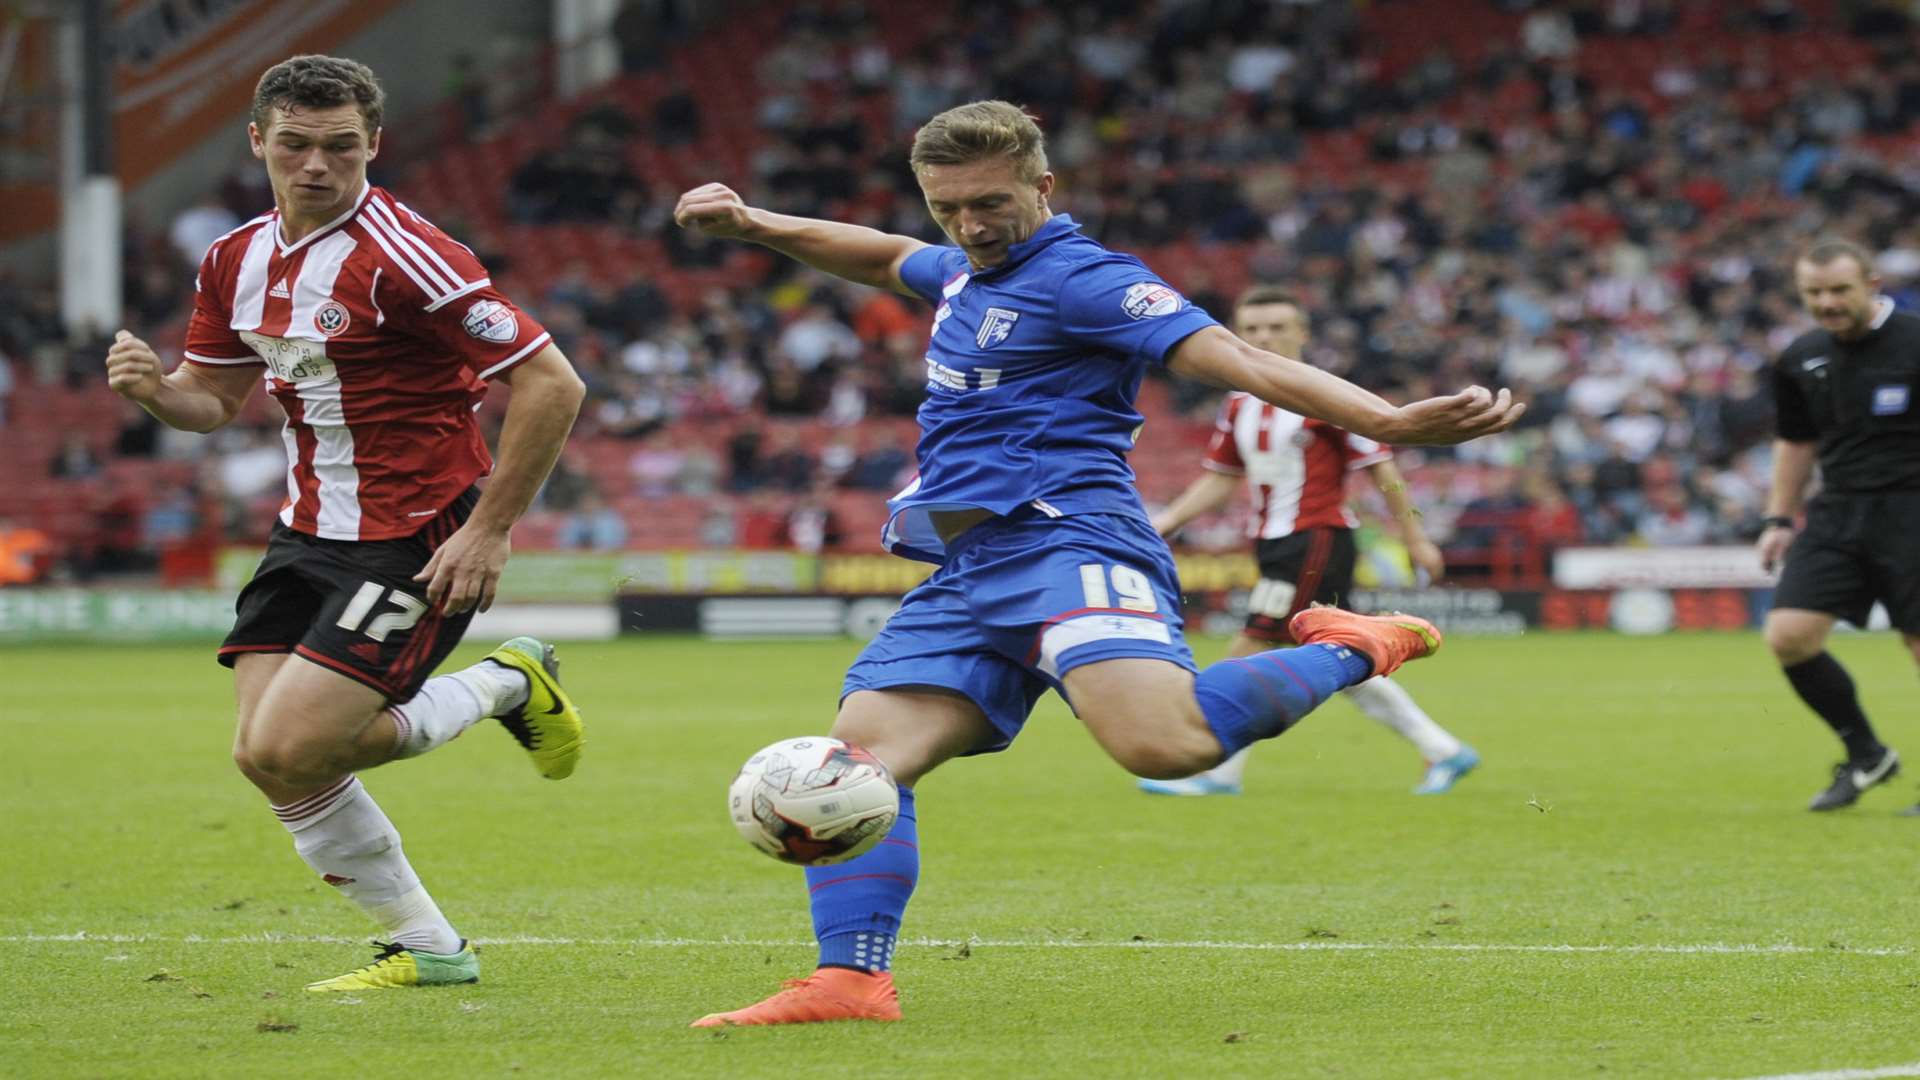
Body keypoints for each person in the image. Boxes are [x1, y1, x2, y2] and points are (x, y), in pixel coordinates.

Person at [672, 100, 1521, 1027]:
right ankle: (850, 982)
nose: (970, 224)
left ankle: (1360, 644)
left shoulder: (1087, 279)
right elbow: (877, 254)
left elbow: (1232, 356)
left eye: (991, 203)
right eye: (947, 206)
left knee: (1164, 746)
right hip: (972, 559)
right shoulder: (963, 269)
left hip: (1069, 539)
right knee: (862, 761)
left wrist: (1387, 420)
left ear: (1044, 186)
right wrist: (757, 224)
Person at [104, 55, 588, 991]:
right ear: (259, 143)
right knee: (269, 759)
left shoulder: (409, 255)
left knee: (292, 746)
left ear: (374, 144)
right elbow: (211, 397)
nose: (316, 165)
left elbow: (551, 382)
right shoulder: (233, 256)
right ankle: (433, 949)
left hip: (416, 530)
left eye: (338, 146)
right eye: (295, 144)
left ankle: (503, 685)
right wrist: (156, 393)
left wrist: (487, 530)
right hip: (307, 530)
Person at [1139, 286, 1479, 798]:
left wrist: (1415, 537)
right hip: (1275, 542)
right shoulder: (1238, 404)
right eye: (1252, 329)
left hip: (1316, 538)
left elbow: (1382, 468)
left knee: (1248, 649)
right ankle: (1444, 750)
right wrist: (1163, 523)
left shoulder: (1324, 394)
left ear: (1303, 333)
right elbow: (1222, 477)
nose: (1264, 338)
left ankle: (1218, 771)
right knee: (1342, 654)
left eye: (1277, 327)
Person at [1759, 238, 1920, 814]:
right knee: (1789, 635)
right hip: (1839, 510)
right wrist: (1779, 517)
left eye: (1839, 290)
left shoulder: (1915, 341)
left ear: (1872, 285)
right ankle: (1866, 752)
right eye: (1814, 293)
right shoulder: (1801, 356)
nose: (1827, 302)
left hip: (1913, 510)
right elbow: (1796, 441)